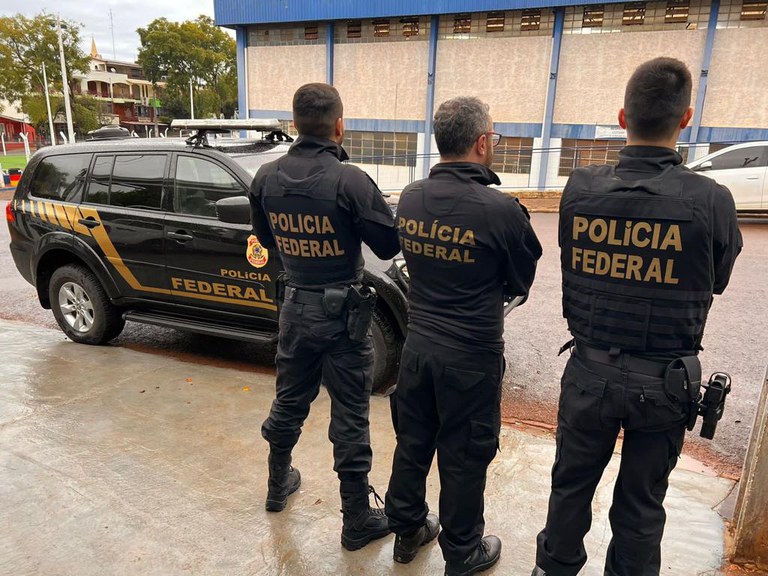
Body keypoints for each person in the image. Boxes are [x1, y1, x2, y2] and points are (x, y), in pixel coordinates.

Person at [531, 57, 742, 576]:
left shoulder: (580, 187)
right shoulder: (711, 200)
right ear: (686, 119)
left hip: (589, 373)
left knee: (569, 488)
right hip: (664, 383)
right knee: (642, 506)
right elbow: (716, 279)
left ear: (623, 118)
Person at [385, 96, 542, 576]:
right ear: (481, 142)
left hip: (418, 347)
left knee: (413, 441)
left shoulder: (411, 196)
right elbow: (521, 280)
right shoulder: (501, 210)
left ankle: (407, 529)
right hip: (471, 355)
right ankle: (462, 551)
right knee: (465, 455)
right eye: (493, 137)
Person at [248, 83, 400, 551]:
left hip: (295, 308)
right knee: (350, 414)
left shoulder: (266, 177)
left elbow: (267, 241)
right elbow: (388, 245)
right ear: (339, 126)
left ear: (295, 124)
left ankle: (277, 484)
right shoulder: (350, 180)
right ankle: (356, 519)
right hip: (343, 319)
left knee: (289, 399)